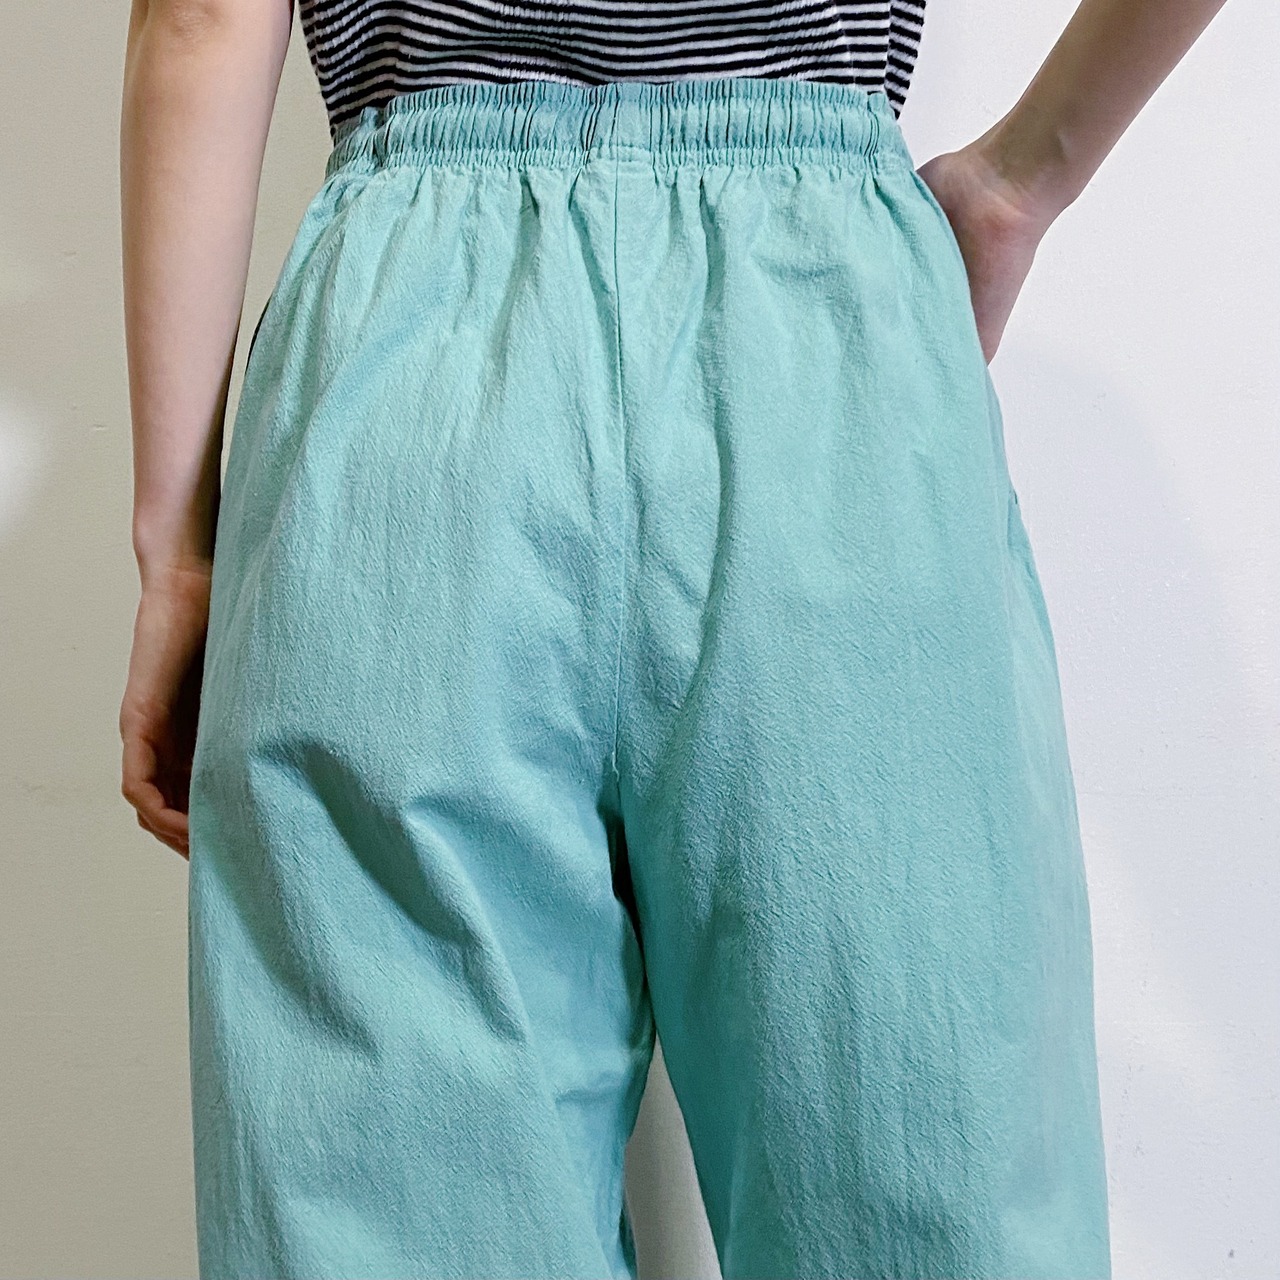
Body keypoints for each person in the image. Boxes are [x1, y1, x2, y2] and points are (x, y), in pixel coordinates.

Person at [118, 1, 1226, 1277]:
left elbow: (203, 17)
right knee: (923, 1174)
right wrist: (1021, 184)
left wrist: (179, 552)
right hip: (825, 338)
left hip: (406, 376)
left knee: (389, 1217)